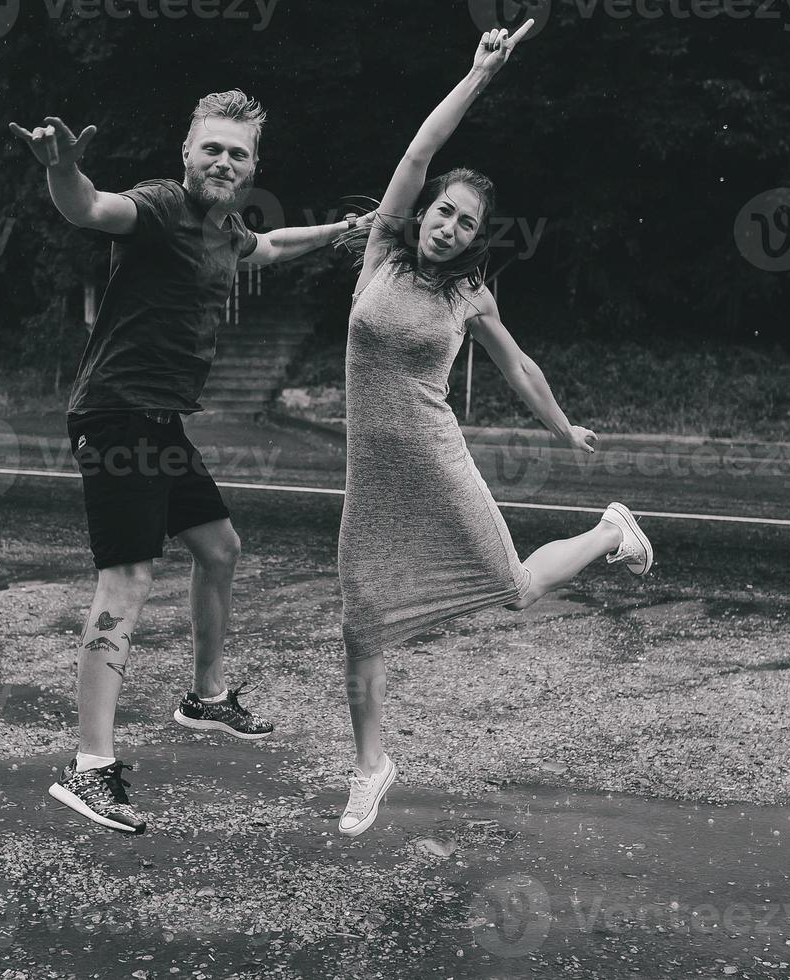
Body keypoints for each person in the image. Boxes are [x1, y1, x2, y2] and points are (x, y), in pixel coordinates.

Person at [10, 91, 367, 834]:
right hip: (114, 414)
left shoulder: (227, 232)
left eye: (237, 154)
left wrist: (340, 232)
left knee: (220, 547)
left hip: (160, 423)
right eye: (212, 148)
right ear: (187, 153)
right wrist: (63, 170)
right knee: (128, 578)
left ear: (252, 168)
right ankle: (90, 769)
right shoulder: (166, 206)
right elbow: (91, 209)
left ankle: (204, 697)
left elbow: (270, 248)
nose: (223, 161)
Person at [334, 24, 656, 837]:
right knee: (361, 620)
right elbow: (419, 146)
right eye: (443, 210)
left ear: (477, 239)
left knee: (513, 590)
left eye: (465, 223)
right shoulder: (382, 251)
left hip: (437, 461)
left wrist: (562, 429)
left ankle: (610, 533)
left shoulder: (470, 297)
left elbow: (517, 367)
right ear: (426, 210)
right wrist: (478, 75)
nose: (447, 226)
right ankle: (371, 767)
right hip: (370, 476)